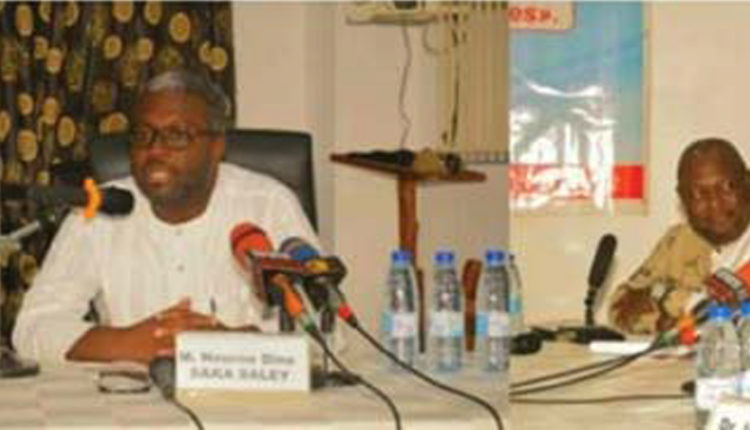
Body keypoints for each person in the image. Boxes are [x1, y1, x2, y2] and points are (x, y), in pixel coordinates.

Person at [12, 70, 319, 365]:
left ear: (217, 146)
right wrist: (129, 343)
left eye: (176, 135)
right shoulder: (99, 210)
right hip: (131, 395)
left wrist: (230, 346)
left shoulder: (268, 205)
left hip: (245, 398)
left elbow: (328, 332)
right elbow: (33, 328)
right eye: (142, 135)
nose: (155, 150)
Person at [608, 137, 750, 334]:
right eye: (698, 194)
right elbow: (621, 305)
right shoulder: (680, 241)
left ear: (747, 182)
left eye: (727, 187)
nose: (715, 203)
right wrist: (687, 305)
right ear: (682, 198)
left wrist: (661, 300)